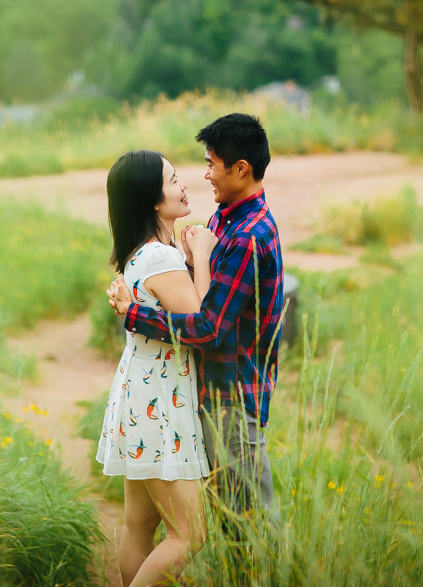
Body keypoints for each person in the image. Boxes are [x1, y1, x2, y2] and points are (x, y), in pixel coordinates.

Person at [108, 113, 285, 525]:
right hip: (207, 394)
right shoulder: (225, 219)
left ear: (241, 169)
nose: (204, 176)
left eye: (211, 164)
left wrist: (134, 313)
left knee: (252, 525)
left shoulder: (248, 236)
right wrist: (193, 263)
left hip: (232, 399)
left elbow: (207, 327)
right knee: (229, 521)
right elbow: (201, 300)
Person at [97, 149, 219, 587]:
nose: (184, 184)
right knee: (190, 533)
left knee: (138, 525)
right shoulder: (160, 258)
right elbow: (200, 322)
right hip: (160, 402)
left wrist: (184, 258)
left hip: (139, 395)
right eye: (173, 180)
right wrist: (201, 255)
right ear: (152, 198)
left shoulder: (143, 254)